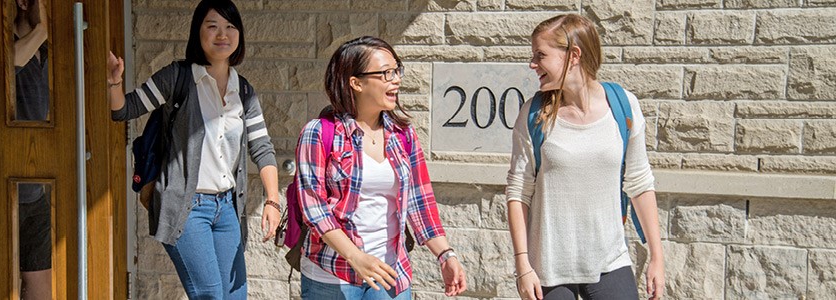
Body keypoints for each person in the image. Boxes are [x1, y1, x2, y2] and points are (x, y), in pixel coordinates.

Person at [106, 1, 280, 298]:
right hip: (188, 208)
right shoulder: (178, 77)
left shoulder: (245, 90)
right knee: (210, 295)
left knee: (234, 295)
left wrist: (273, 201)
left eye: (230, 27)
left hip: (227, 210)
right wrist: (114, 82)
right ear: (197, 33)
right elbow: (125, 109)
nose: (222, 34)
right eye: (212, 26)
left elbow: (262, 147)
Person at [505, 14, 665, 300]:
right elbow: (518, 193)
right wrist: (523, 265)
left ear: (573, 56)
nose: (532, 64)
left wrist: (657, 257)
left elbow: (640, 182)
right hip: (549, 269)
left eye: (540, 55)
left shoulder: (623, 105)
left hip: (609, 261)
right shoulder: (532, 115)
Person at [295, 36, 467, 299]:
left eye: (396, 70)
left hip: (390, 272)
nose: (396, 79)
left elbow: (420, 202)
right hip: (332, 276)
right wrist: (356, 258)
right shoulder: (319, 133)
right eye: (386, 73)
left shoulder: (403, 134)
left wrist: (445, 254)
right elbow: (314, 210)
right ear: (356, 82)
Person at [14, 0, 51, 299]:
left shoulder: (47, 51)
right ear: (24, 3)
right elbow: (5, 66)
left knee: (40, 286)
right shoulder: (6, 43)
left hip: (36, 191)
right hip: (4, 188)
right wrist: (43, 29)